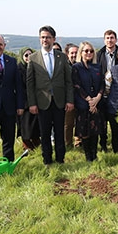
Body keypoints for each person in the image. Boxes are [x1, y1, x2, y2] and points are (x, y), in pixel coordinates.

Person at [27, 25, 74, 165]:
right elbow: (30, 84)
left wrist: (69, 100)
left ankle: (60, 159)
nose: (45, 40)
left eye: (48, 37)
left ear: (53, 39)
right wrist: (32, 103)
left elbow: (68, 81)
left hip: (59, 101)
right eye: (42, 37)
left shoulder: (62, 57)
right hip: (42, 102)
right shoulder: (33, 58)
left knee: (60, 132)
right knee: (45, 133)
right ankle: (47, 160)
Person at [72, 42, 104, 162]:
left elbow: (101, 83)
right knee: (85, 131)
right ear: (81, 52)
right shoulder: (76, 67)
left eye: (91, 51)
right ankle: (88, 156)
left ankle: (94, 155)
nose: (89, 53)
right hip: (83, 104)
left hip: (97, 103)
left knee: (95, 131)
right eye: (86, 51)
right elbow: (77, 85)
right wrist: (89, 100)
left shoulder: (97, 66)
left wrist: (97, 98)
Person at [96, 30, 118, 153]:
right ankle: (103, 144)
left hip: (117, 91)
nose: (109, 40)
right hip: (103, 91)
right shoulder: (99, 54)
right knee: (102, 121)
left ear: (115, 39)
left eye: (112, 38)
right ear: (104, 40)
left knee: (115, 122)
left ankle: (117, 146)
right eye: (107, 38)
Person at [17, 47, 41, 151]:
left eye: (31, 55)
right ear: (22, 56)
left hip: (35, 101)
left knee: (35, 125)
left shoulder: (36, 68)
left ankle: (36, 144)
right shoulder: (18, 69)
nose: (28, 57)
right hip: (23, 103)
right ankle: (26, 145)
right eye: (26, 55)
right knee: (25, 126)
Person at [64, 43, 79, 149]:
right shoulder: (64, 66)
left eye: (76, 53)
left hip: (81, 98)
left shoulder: (82, 66)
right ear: (67, 54)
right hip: (68, 99)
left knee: (80, 122)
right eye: (72, 53)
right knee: (68, 124)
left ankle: (78, 142)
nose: (74, 55)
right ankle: (67, 143)